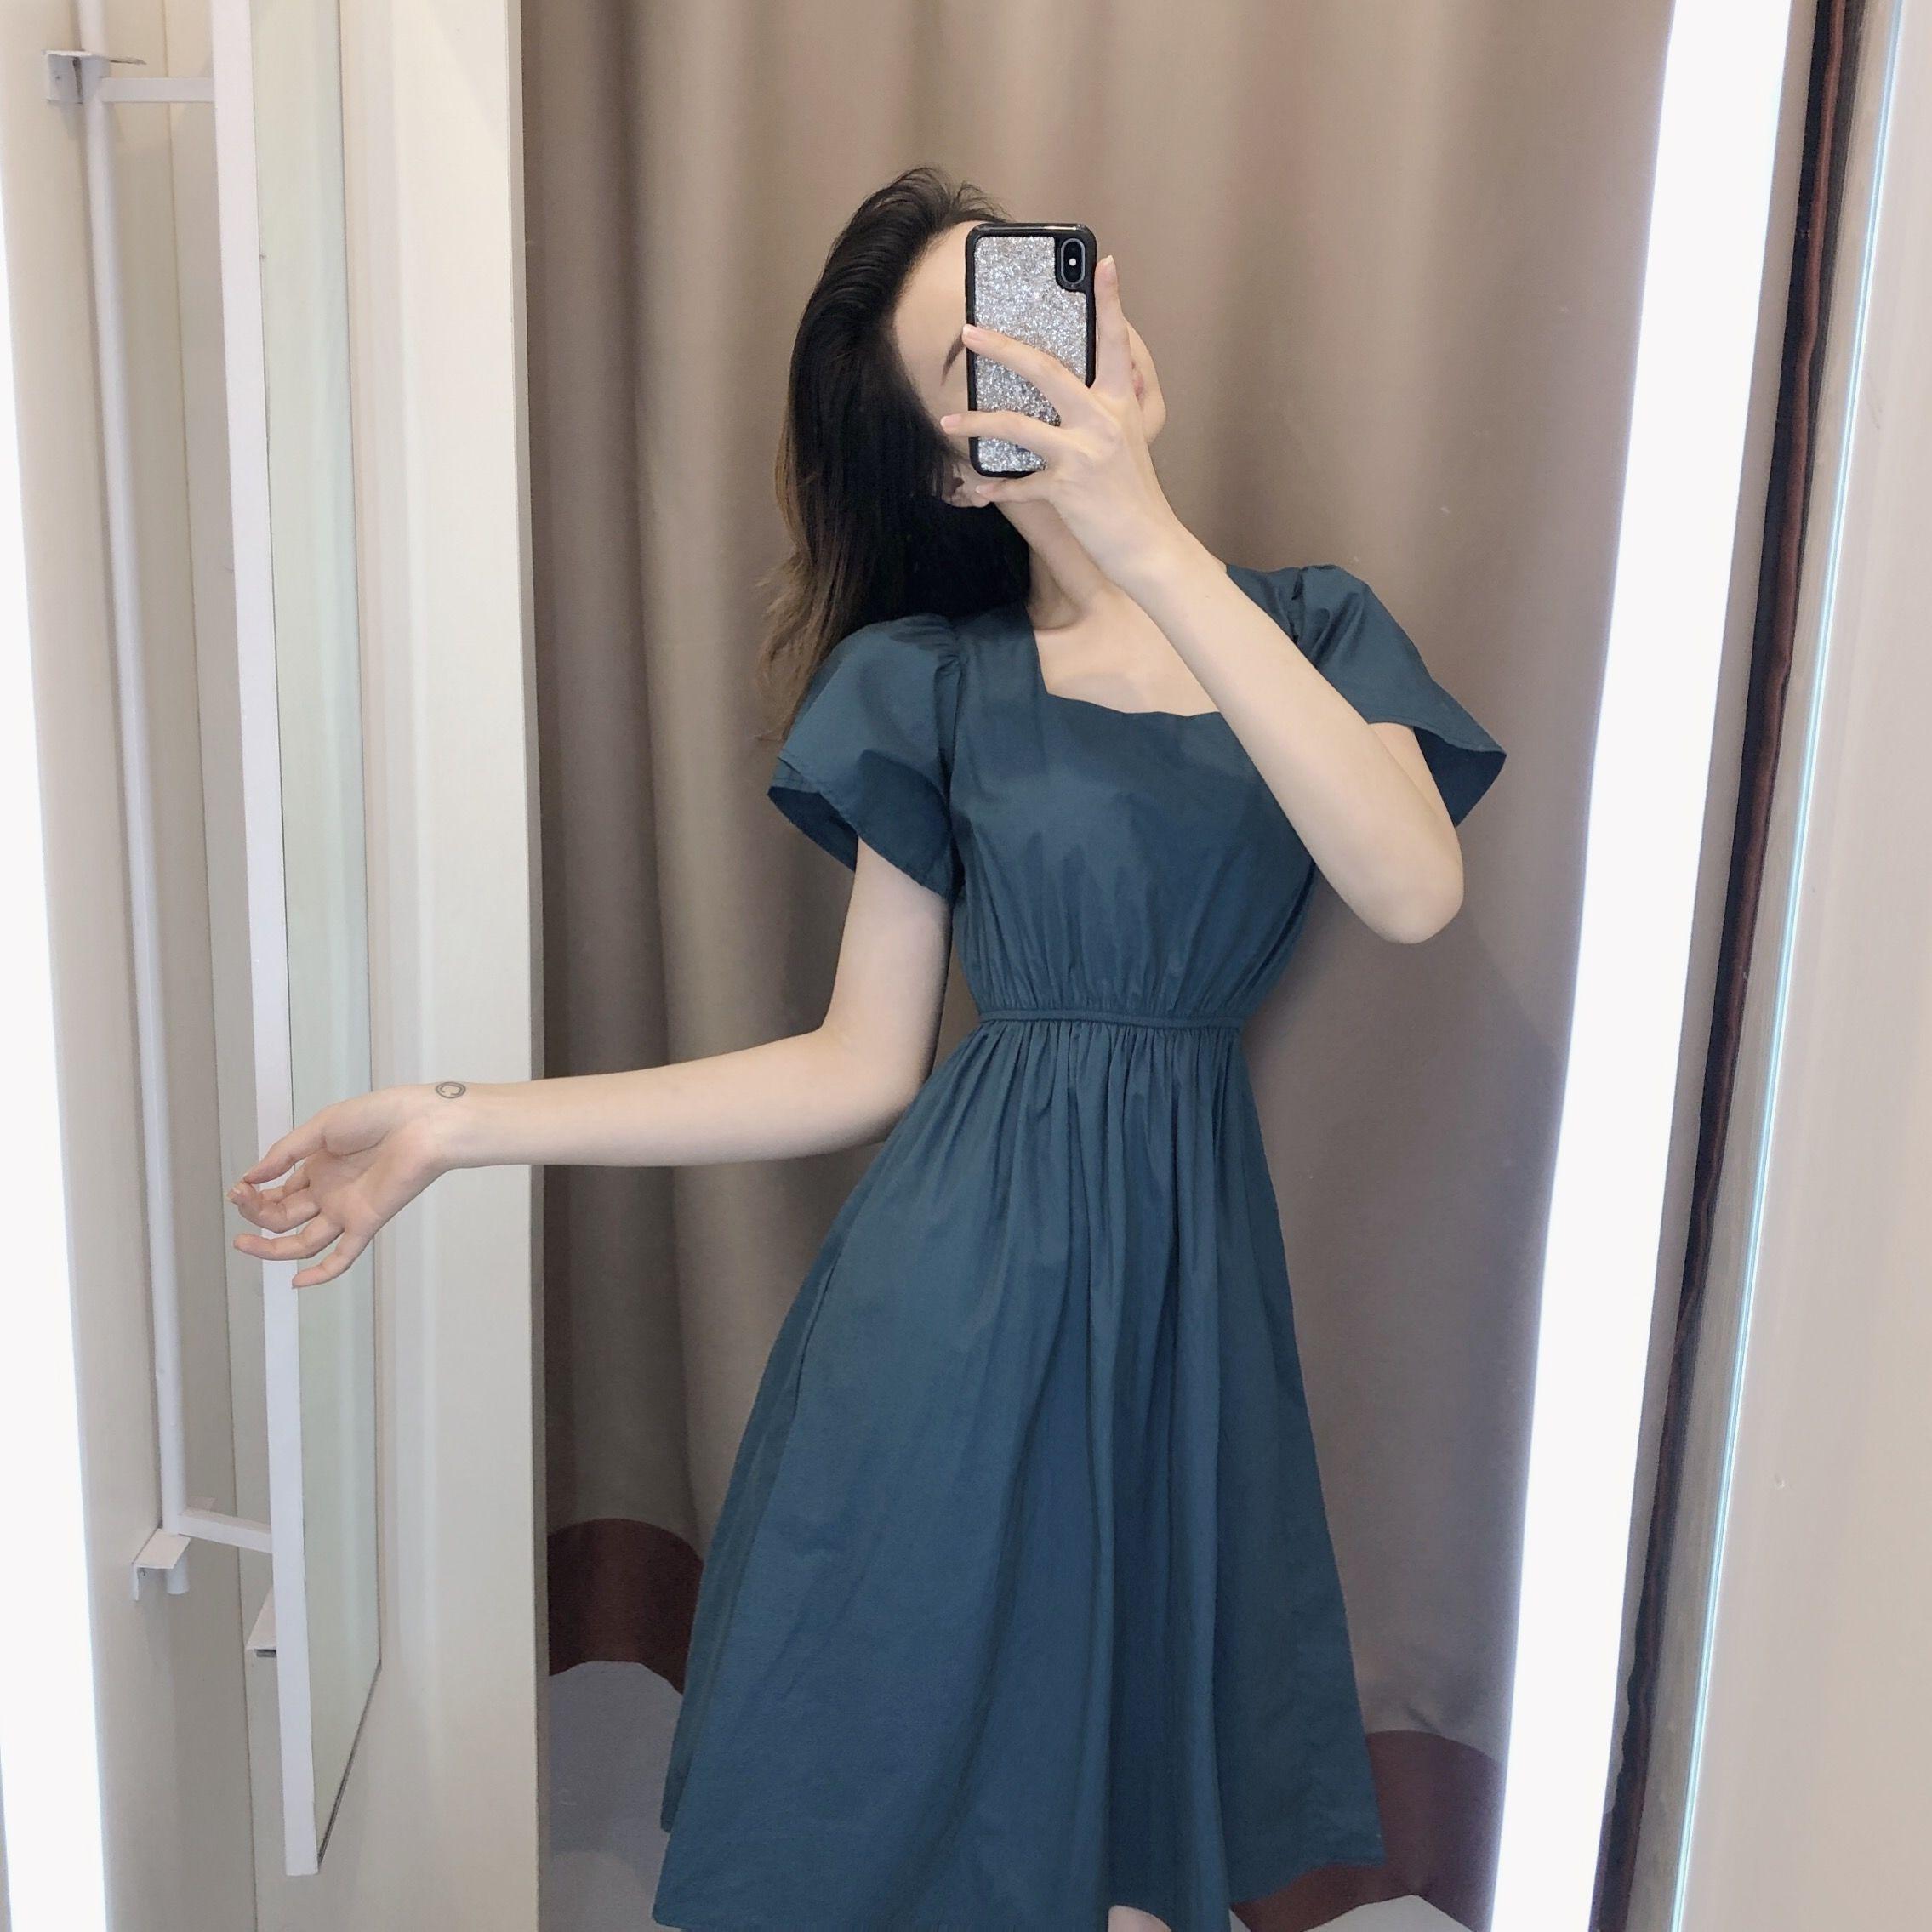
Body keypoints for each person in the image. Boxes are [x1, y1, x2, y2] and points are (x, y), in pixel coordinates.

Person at [228, 165, 1505, 1932]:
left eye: (1037, 298)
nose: (1041, 354)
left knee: (1138, 1849)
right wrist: (460, 1120)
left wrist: (1143, 536)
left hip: (1181, 1308)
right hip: (951, 1315)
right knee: (915, 1817)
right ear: (949, 467)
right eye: (979, 357)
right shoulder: (930, 681)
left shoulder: (1310, 628)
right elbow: (853, 1064)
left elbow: (1409, 882)